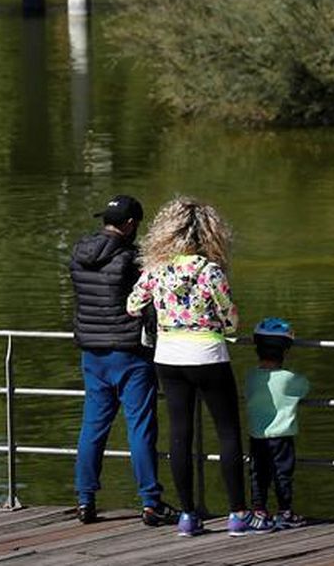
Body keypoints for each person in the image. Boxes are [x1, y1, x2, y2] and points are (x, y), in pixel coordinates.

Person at [126, 196, 266, 537]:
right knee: (228, 432)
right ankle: (237, 513)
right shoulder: (210, 271)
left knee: (179, 434)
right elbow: (230, 317)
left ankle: (188, 516)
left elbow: (132, 305)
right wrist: (226, 327)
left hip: (169, 357)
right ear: (209, 234)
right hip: (208, 355)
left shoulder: (156, 270)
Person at [69, 194, 177, 527]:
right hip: (130, 353)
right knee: (140, 428)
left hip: (92, 353)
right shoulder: (132, 260)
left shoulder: (78, 253)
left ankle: (85, 500)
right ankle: (150, 502)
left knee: (92, 428)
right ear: (130, 225)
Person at [245, 317, 310, 532]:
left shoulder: (251, 377)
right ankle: (285, 511)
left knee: (258, 473)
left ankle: (259, 510)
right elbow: (305, 388)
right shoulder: (289, 378)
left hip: (257, 435)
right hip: (282, 436)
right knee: (283, 473)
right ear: (285, 350)